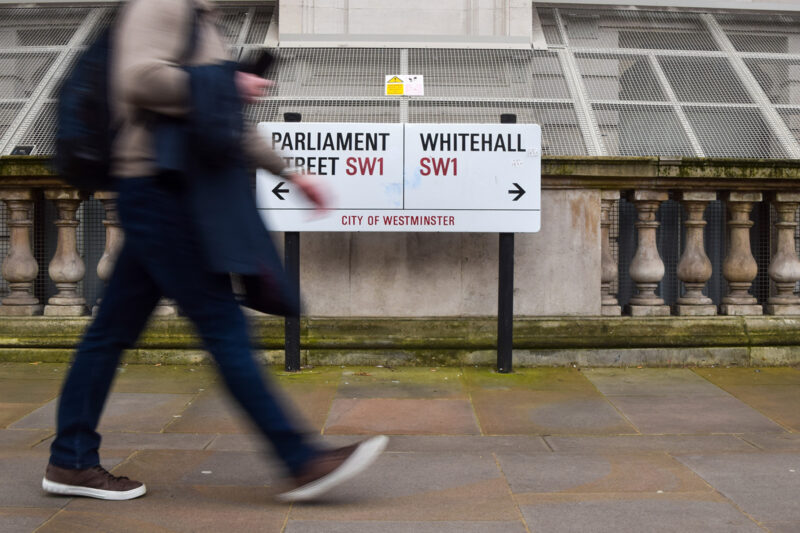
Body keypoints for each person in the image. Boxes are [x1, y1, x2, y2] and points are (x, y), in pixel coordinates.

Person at [41, 0, 387, 503]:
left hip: (173, 189)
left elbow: (220, 125)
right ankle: (300, 460)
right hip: (161, 192)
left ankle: (70, 460)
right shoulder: (161, 5)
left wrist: (290, 173)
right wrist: (226, 85)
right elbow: (138, 79)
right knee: (224, 326)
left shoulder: (205, 21)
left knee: (109, 333)